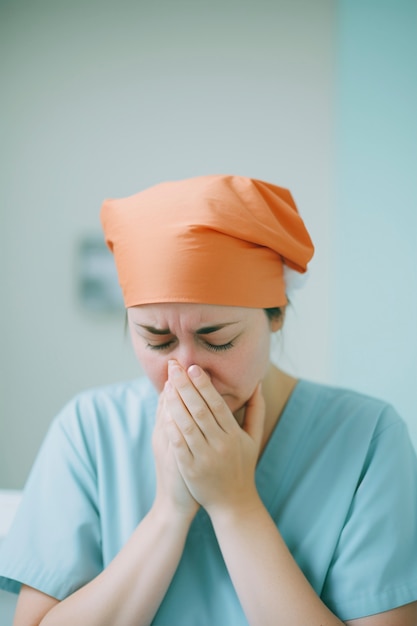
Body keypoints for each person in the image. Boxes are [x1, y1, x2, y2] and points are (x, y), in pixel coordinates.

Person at [0, 175, 416, 626]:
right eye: (157, 341)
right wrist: (169, 514)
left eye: (217, 339)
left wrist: (235, 504)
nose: (186, 372)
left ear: (275, 315)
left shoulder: (367, 438)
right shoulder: (89, 429)